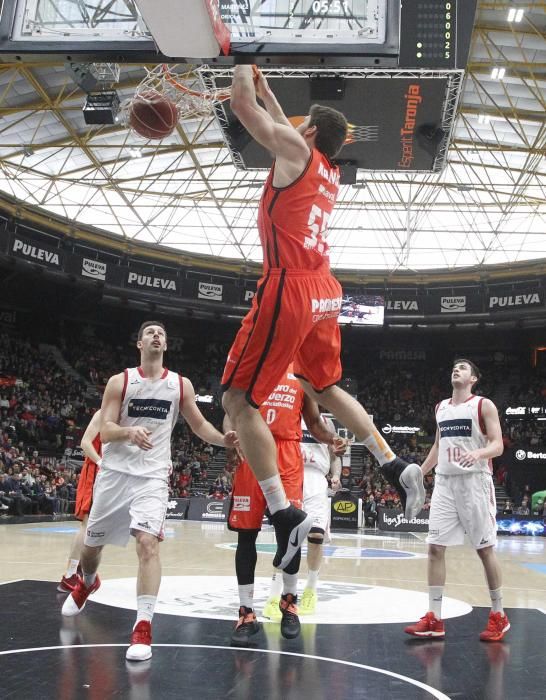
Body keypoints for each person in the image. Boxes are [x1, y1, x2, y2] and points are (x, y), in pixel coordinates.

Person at [221, 65, 425, 573]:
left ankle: (285, 513)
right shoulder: (327, 169)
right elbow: (278, 121)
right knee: (326, 387)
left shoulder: (296, 151)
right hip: (324, 290)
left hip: (288, 283)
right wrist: (270, 92)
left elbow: (243, 109)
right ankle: (394, 464)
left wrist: (241, 68)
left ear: (308, 131)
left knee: (237, 400)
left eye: (300, 122)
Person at [62, 321, 238, 662]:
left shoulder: (179, 384)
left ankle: (143, 626)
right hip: (114, 474)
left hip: (152, 476)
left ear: (165, 345)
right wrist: (129, 433)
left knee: (147, 544)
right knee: (91, 547)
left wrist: (223, 439)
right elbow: (107, 430)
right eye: (150, 333)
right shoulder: (121, 381)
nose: (157, 336)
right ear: (139, 343)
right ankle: (87, 582)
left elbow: (199, 425)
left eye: (162, 334)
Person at [228, 367, 340, 646]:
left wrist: (331, 439)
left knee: (289, 533)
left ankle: (289, 604)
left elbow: (313, 422)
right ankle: (245, 613)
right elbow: (230, 412)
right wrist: (231, 436)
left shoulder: (303, 374)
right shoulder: (253, 364)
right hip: (252, 450)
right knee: (247, 535)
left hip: (288, 454)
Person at [405, 359, 509, 642]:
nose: (456, 370)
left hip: (475, 482)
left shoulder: (483, 405)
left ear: (473, 378)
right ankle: (434, 618)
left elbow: (498, 444)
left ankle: (499, 614)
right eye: (454, 367)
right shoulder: (441, 407)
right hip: (445, 483)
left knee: (485, 550)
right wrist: (418, 473)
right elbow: (439, 446)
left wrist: (478, 454)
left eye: (463, 368)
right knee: (435, 548)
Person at [263, 413, 345, 619]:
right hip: (290, 475)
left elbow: (335, 455)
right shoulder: (287, 414)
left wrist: (336, 475)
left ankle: (311, 589)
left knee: (316, 537)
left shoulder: (326, 422)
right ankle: (274, 596)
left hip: (317, 480)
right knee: (287, 540)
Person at [58, 409, 102, 593]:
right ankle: (69, 575)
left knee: (98, 528)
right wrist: (101, 462)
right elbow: (85, 443)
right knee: (87, 525)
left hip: (112, 476)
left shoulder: (126, 415)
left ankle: (81, 568)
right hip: (96, 472)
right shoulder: (104, 413)